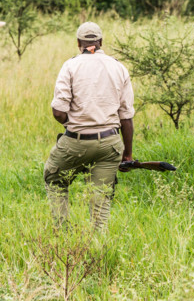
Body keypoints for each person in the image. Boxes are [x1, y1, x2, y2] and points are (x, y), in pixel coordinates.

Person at [44, 22, 134, 232]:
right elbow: (126, 117)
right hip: (110, 144)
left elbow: (58, 112)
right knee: (101, 197)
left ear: (78, 43)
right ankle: (98, 240)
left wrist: (74, 125)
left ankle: (62, 231)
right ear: (100, 42)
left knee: (54, 178)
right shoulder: (118, 67)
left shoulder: (70, 66)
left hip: (75, 142)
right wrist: (127, 155)